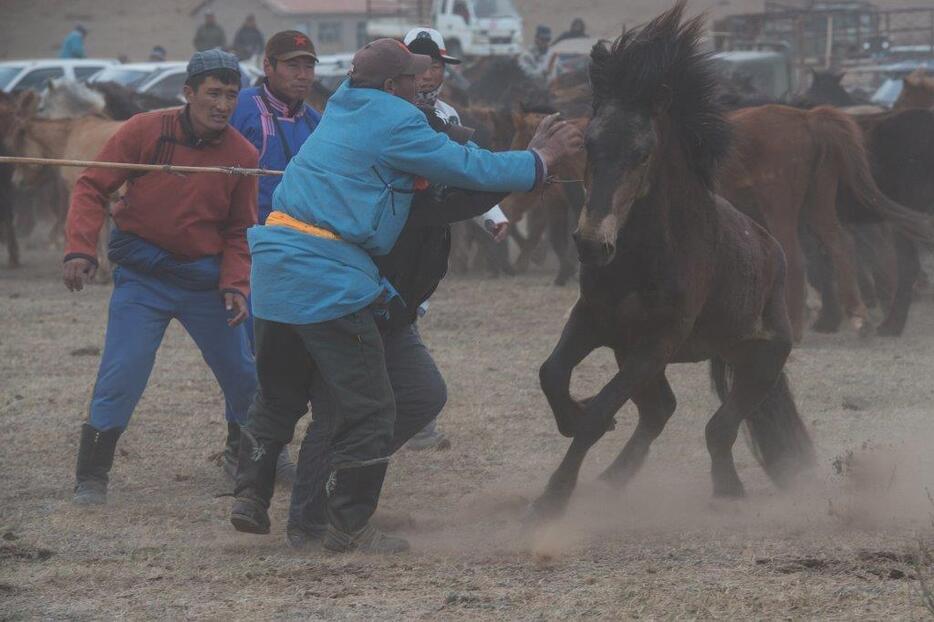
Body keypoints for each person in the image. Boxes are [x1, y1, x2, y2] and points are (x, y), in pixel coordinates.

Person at [229, 38, 582, 553]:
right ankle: (346, 526)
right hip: (328, 274)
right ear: (392, 86)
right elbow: (470, 170)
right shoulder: (396, 122)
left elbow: (451, 166)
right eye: (413, 76)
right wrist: (540, 160)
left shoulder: (343, 107)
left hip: (276, 266)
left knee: (280, 396)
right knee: (370, 410)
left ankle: (250, 497)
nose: (424, 81)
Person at [285, 108, 511, 550]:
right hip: (345, 313)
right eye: (443, 147)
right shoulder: (398, 192)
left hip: (391, 318)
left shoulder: (430, 190)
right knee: (335, 415)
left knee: (422, 394)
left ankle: (344, 490)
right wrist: (534, 166)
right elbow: (465, 198)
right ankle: (309, 524)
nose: (452, 155)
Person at [64, 49, 258, 506]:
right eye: (213, 93)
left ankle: (251, 460)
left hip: (205, 282)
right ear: (188, 93)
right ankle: (92, 476)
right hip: (143, 276)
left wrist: (235, 284)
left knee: (243, 374)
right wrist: (80, 248)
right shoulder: (144, 130)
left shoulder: (243, 155)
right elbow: (92, 185)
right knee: (123, 370)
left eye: (231, 94)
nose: (223, 104)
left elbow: (238, 230)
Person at [400, 26, 508, 450]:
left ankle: (411, 417)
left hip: (427, 241)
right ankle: (414, 419)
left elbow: (465, 174)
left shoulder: (451, 118)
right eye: (421, 65)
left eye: (436, 66)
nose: (429, 75)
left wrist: (491, 216)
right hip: (386, 236)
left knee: (404, 317)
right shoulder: (385, 111)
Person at [228, 29, 322, 479]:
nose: (302, 76)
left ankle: (256, 449)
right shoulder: (243, 108)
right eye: (292, 66)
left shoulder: (315, 121)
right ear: (268, 67)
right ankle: (244, 453)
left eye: (308, 67)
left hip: (299, 257)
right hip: (246, 252)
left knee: (284, 358)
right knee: (252, 358)